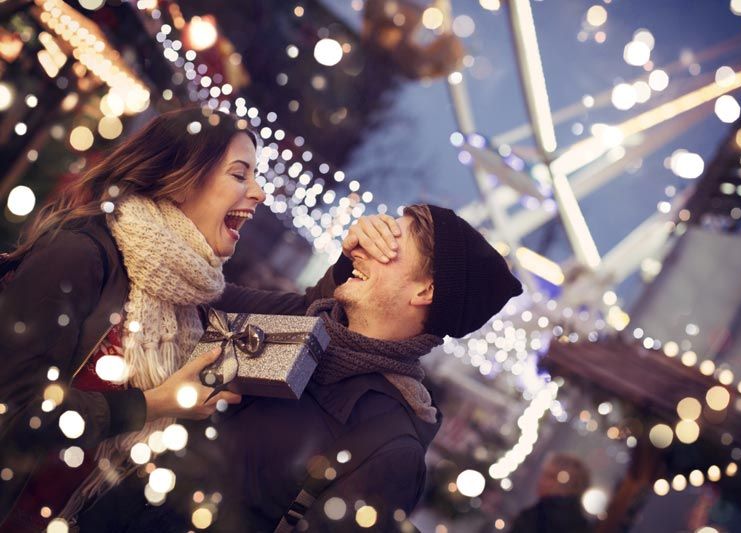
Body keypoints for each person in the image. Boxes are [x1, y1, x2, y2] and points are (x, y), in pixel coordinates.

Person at [0, 107, 395, 530]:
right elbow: (13, 413)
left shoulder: (192, 297)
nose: (259, 192)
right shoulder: (80, 255)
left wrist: (352, 257)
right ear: (184, 175)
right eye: (239, 174)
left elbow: (303, 309)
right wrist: (154, 404)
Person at [78, 203, 524, 532]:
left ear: (425, 289)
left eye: (391, 243)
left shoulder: (392, 446)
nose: (364, 247)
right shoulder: (297, 324)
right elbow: (184, 291)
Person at [508, 453, 593, 533]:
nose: (541, 480)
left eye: (550, 477)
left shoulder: (534, 518)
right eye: (544, 474)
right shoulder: (583, 526)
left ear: (569, 485)